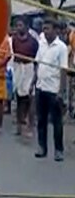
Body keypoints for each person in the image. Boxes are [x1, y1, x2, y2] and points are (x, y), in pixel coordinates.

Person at [34, 18, 69, 162]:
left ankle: (58, 150)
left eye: (47, 28)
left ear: (55, 30)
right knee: (41, 120)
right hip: (40, 87)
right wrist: (33, 82)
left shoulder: (61, 47)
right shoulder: (41, 44)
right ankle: (42, 147)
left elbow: (63, 70)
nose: (45, 32)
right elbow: (38, 64)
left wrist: (61, 91)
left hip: (53, 89)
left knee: (56, 121)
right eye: (44, 29)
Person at [11, 17, 39, 136]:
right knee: (19, 99)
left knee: (30, 99)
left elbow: (36, 61)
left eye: (20, 25)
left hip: (29, 69)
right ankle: (18, 126)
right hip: (18, 68)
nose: (18, 28)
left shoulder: (33, 42)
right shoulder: (14, 39)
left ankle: (30, 126)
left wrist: (34, 77)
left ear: (27, 27)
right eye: (17, 25)